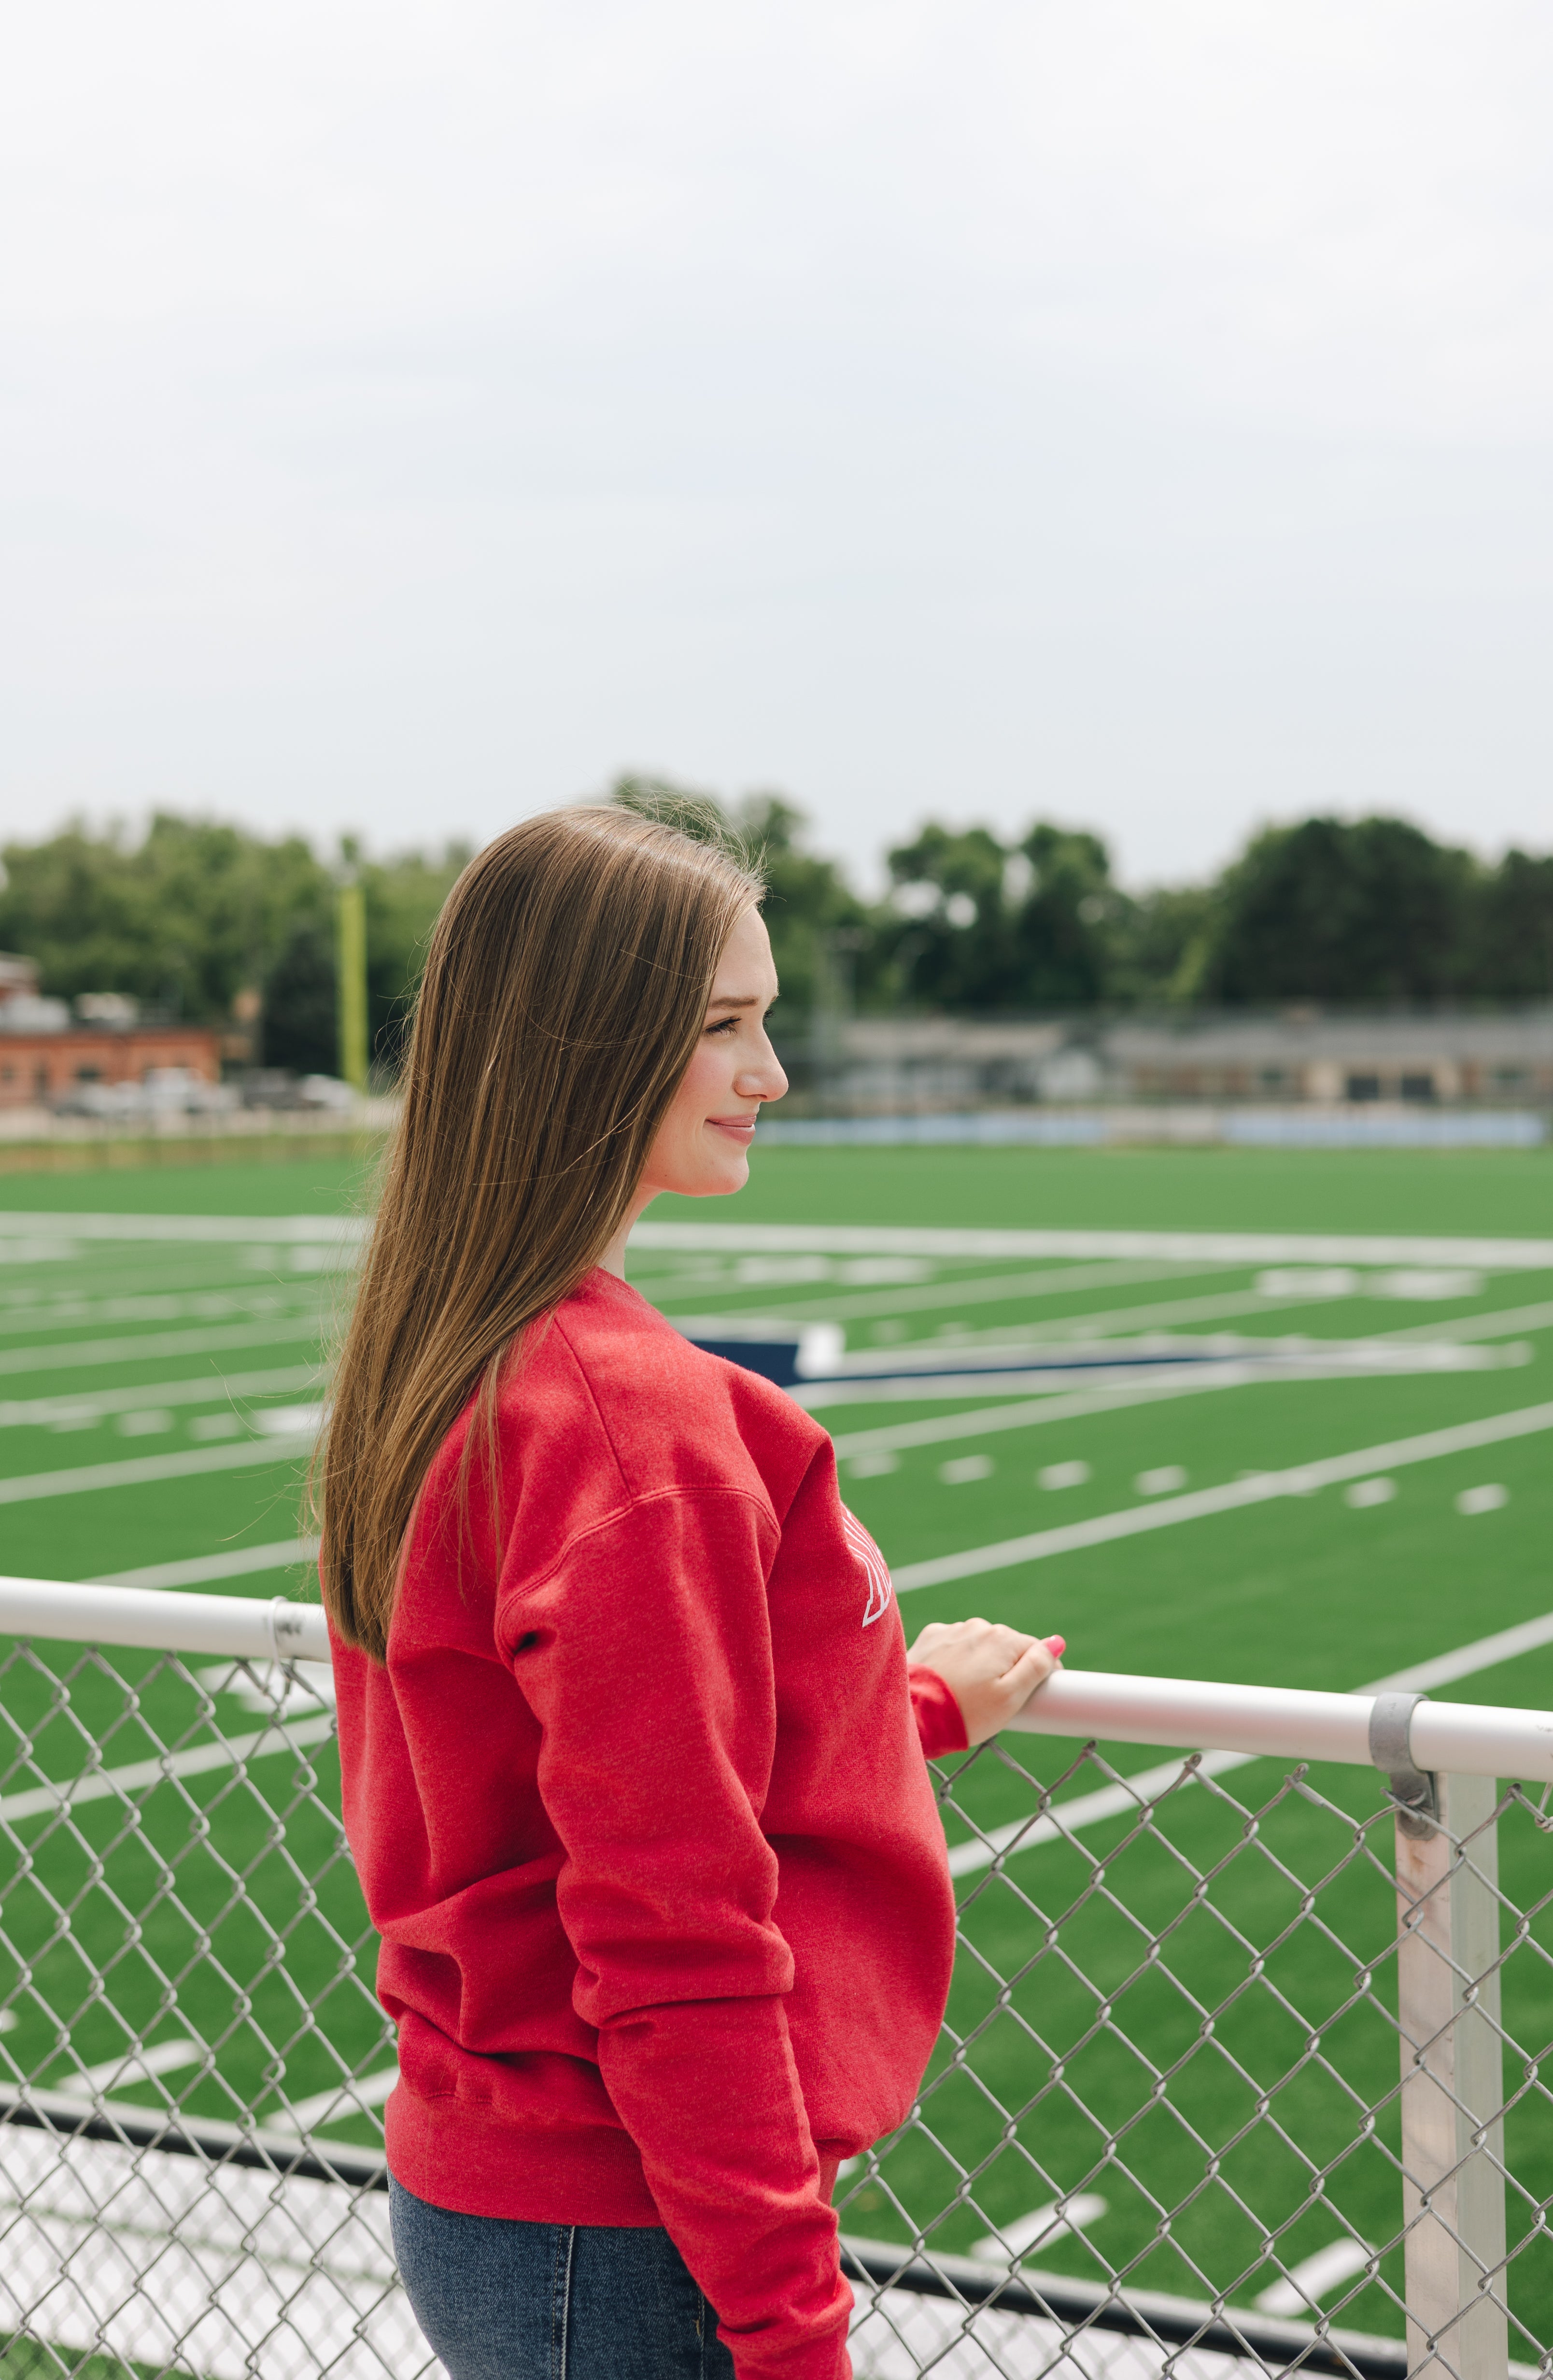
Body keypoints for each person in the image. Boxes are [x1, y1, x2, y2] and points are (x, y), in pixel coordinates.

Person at [320, 807, 1062, 2380]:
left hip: (488, 2198)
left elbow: (578, 1768)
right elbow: (674, 1938)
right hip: (627, 2235)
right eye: (725, 1025)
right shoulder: (622, 1420)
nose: (772, 1072)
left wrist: (907, 1709)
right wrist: (797, 2335)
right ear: (587, 1043)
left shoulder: (454, 1349)